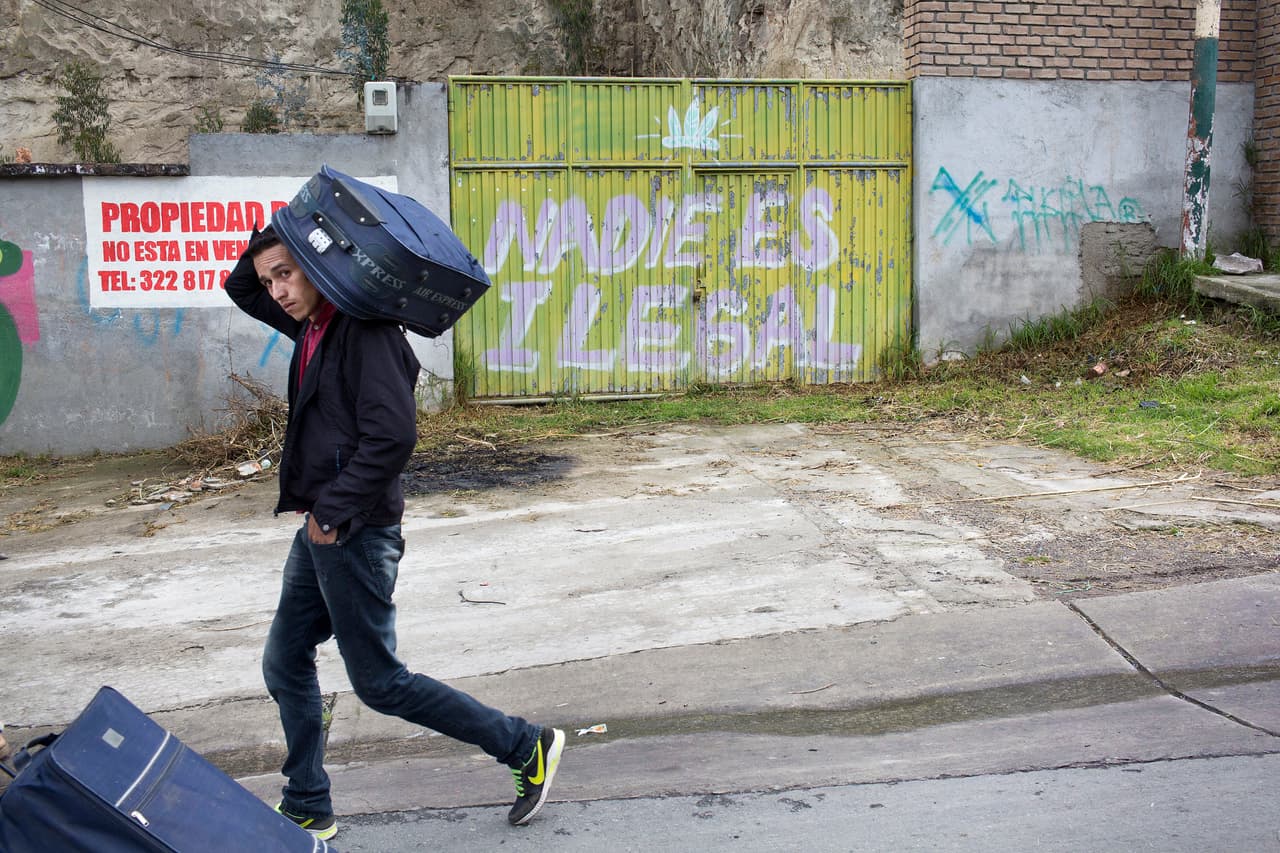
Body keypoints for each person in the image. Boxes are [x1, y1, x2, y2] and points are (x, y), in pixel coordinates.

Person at [225, 225, 564, 841]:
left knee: (380, 684)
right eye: (271, 277)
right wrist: (288, 229)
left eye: (286, 273)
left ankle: (524, 746)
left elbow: (394, 437)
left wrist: (330, 513)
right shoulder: (314, 323)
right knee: (285, 660)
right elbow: (239, 286)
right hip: (322, 529)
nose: (274, 290)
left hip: (353, 531)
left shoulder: (365, 330)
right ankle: (307, 802)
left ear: (317, 268)